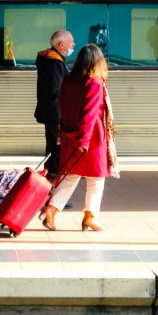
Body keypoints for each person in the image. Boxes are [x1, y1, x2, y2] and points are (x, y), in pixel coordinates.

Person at [40, 44, 119, 232]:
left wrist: (67, 134)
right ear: (98, 62)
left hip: (70, 135)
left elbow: (63, 107)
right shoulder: (94, 83)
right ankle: (90, 217)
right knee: (96, 179)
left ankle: (50, 211)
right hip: (90, 140)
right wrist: (83, 141)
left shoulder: (69, 79)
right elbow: (89, 114)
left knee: (71, 176)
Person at [34, 29, 74, 175]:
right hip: (54, 115)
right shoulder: (54, 63)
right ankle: (53, 180)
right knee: (55, 150)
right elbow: (54, 92)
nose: (73, 45)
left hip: (51, 113)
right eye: (71, 42)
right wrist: (59, 118)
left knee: (52, 147)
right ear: (61, 44)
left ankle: (51, 177)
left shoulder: (51, 60)